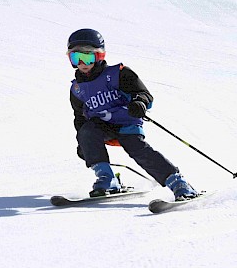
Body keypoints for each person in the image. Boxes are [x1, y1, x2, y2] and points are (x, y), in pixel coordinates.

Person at [67, 28, 198, 201]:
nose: (83, 63)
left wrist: (139, 103)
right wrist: (82, 143)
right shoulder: (77, 89)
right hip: (102, 127)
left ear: (99, 56)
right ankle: (107, 179)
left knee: (137, 150)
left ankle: (178, 182)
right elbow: (80, 119)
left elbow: (144, 94)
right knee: (87, 130)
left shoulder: (118, 74)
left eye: (88, 57)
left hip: (126, 123)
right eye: (76, 58)